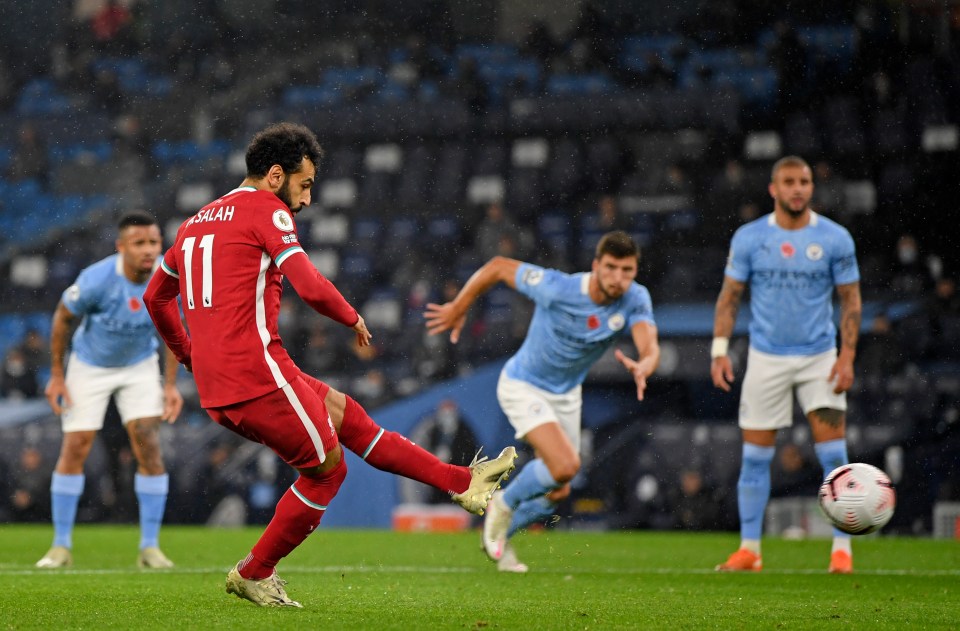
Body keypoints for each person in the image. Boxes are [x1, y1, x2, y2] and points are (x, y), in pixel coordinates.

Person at [143, 122, 516, 608]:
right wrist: (351, 315)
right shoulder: (266, 211)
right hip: (258, 375)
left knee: (350, 418)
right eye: (305, 183)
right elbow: (309, 283)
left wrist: (190, 354)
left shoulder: (194, 223)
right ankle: (254, 572)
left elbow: (156, 297)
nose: (308, 198)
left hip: (228, 381)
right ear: (276, 175)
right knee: (326, 474)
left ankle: (462, 482)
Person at [425, 230, 660, 572]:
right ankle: (502, 504)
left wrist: (645, 365)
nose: (618, 278)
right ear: (596, 265)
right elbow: (498, 266)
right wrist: (460, 306)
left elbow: (650, 345)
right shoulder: (559, 288)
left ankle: (500, 541)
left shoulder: (636, 299)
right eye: (611, 267)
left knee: (558, 493)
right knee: (565, 465)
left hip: (565, 394)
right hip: (524, 385)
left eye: (627, 270)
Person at [710, 155, 862, 574]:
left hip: (819, 358)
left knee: (834, 453)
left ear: (812, 187)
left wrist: (847, 355)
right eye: (790, 181)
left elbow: (850, 300)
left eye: (805, 181)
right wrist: (719, 350)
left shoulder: (835, 238)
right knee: (756, 458)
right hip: (766, 358)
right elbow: (729, 296)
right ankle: (749, 551)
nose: (798, 188)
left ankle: (842, 552)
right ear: (773, 189)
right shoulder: (749, 237)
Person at [36, 210, 184, 570]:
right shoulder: (96, 279)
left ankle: (150, 547)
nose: (148, 250)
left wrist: (169, 386)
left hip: (138, 366)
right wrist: (57, 375)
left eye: (153, 242)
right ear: (121, 247)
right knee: (76, 445)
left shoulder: (168, 276)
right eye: (139, 244)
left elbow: (172, 332)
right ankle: (60, 546)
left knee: (148, 445)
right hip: (89, 365)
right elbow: (62, 318)